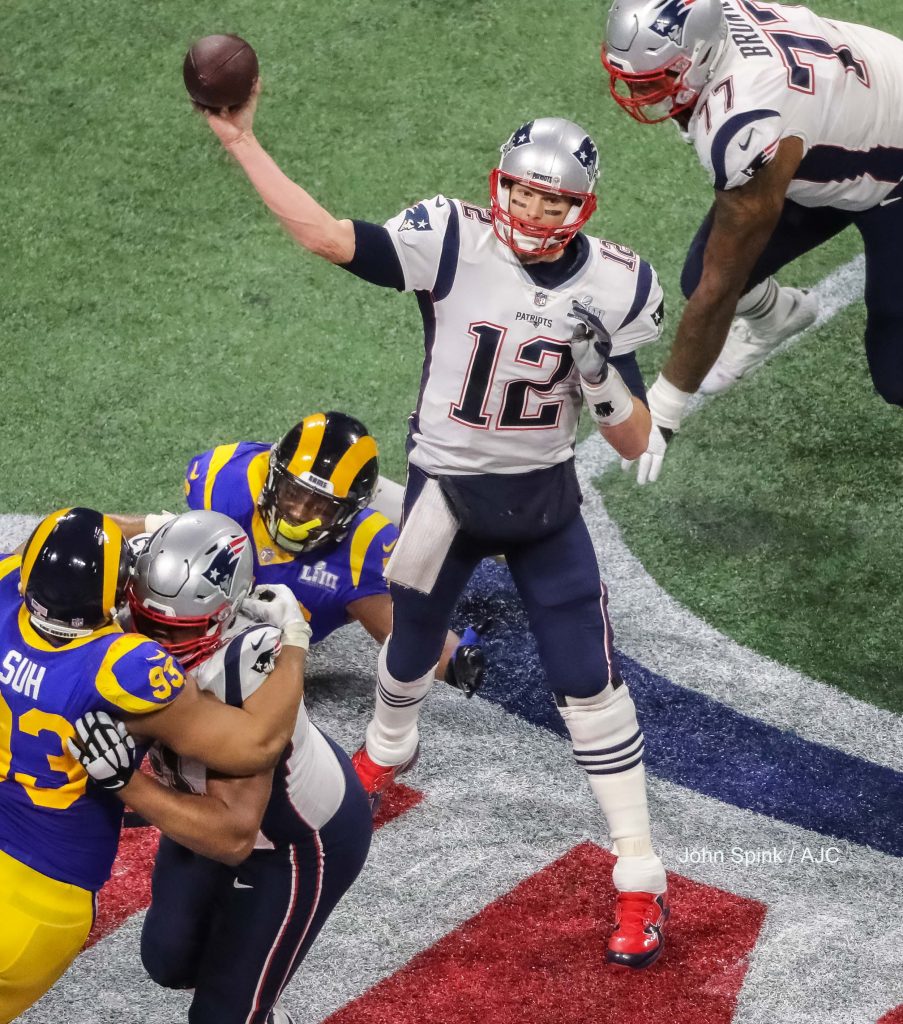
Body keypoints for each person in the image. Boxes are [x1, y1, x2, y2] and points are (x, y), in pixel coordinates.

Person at [198, 93, 669, 968]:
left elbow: (637, 440)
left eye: (552, 201)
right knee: (410, 644)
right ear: (499, 186)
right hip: (444, 495)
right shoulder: (452, 236)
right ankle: (388, 749)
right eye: (521, 193)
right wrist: (243, 141)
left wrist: (599, 373)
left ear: (582, 208)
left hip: (541, 507)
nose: (531, 212)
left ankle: (640, 876)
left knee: (588, 685)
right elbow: (329, 237)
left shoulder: (618, 280)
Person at [0, 507, 308, 1023]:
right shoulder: (125, 668)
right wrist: (295, 646)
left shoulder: (7, 584)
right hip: (44, 896)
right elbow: (255, 747)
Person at [69, 511, 371, 1024]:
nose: (154, 641)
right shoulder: (145, 588)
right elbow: (111, 530)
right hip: (198, 798)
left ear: (224, 616)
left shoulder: (245, 667)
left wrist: (126, 783)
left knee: (224, 1016)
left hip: (289, 841)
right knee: (168, 961)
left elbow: (234, 834)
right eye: (145, 619)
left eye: (173, 629)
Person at [602, 0, 903, 483]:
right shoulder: (712, 18)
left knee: (897, 374)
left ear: (699, 60)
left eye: (655, 79)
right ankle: (778, 317)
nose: (641, 92)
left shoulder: (748, 122)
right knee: (697, 273)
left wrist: (666, 403)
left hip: (892, 167)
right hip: (838, 123)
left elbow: (722, 286)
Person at [110, 411, 477, 694]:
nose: (298, 515)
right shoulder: (231, 481)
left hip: (253, 658)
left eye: (320, 507)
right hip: (203, 627)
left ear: (346, 515)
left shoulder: (360, 549)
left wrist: (464, 664)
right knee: (157, 549)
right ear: (271, 481)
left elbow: (412, 642)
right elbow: (156, 526)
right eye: (292, 494)